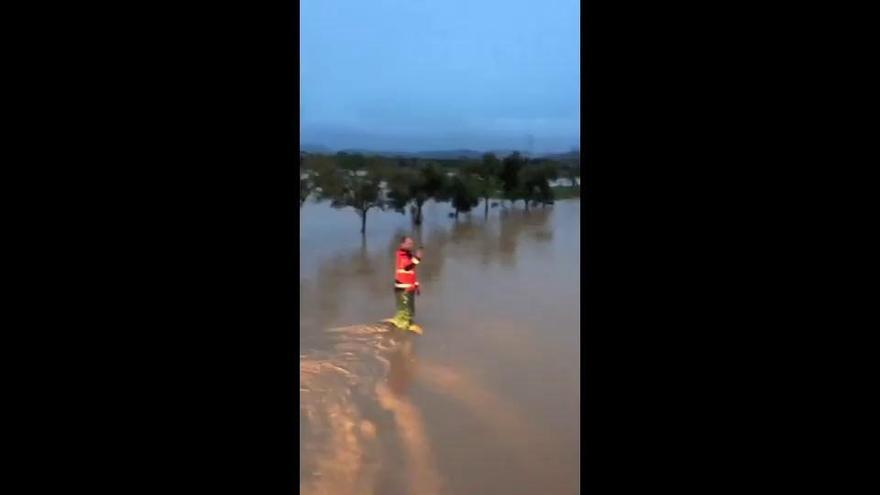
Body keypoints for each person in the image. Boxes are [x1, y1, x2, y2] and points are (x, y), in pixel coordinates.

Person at [384, 236, 423, 334]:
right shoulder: (401, 255)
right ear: (402, 244)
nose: (411, 245)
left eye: (412, 243)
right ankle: (403, 327)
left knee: (409, 307)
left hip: (409, 287)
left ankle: (401, 320)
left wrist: (416, 285)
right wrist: (417, 258)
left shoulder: (408, 255)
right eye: (409, 243)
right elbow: (407, 267)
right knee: (405, 307)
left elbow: (412, 272)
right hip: (403, 288)